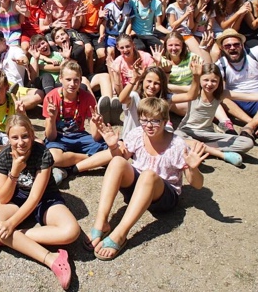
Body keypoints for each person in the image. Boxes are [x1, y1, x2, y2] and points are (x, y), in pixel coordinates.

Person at [86, 98, 206, 260]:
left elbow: (197, 185)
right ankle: (101, 222)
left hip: (163, 196)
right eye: (144, 120)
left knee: (148, 175)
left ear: (165, 121)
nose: (149, 125)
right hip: (138, 188)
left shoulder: (177, 145)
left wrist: (193, 168)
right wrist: (113, 146)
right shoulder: (137, 134)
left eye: (155, 121)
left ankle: (120, 234)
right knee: (117, 161)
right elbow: (122, 158)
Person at [0, 115, 78, 290]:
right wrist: (14, 171)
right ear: (8, 138)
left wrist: (10, 225)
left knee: (71, 231)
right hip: (17, 198)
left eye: (25, 136)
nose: (20, 142)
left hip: (45, 198)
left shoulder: (42, 154)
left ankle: (5, 238)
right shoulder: (3, 157)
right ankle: (51, 258)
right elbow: (3, 198)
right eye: (15, 137)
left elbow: (35, 197)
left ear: (32, 135)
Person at [176, 64, 258, 166]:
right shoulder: (193, 91)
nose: (209, 84)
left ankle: (198, 148)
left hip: (208, 134)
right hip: (187, 131)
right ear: (199, 79)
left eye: (214, 81)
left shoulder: (221, 94)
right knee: (175, 137)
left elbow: (251, 96)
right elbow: (168, 87)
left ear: (219, 81)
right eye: (205, 80)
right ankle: (218, 153)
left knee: (247, 143)